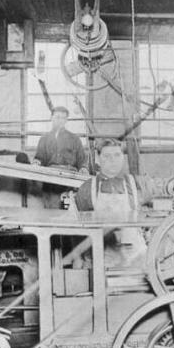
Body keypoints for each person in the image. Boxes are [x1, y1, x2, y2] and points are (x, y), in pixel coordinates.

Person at [74, 139, 151, 267]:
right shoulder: (87, 189)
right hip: (102, 258)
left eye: (117, 155)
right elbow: (78, 231)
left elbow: (152, 218)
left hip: (135, 257)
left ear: (123, 158)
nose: (112, 160)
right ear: (98, 159)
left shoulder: (138, 185)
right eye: (107, 156)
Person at [33, 106, 88, 208]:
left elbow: (82, 159)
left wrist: (83, 168)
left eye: (63, 118)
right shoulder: (44, 139)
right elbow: (39, 157)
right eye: (57, 117)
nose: (60, 120)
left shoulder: (74, 138)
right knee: (51, 211)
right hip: (50, 177)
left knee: (69, 209)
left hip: (70, 177)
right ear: (51, 118)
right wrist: (37, 162)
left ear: (66, 120)